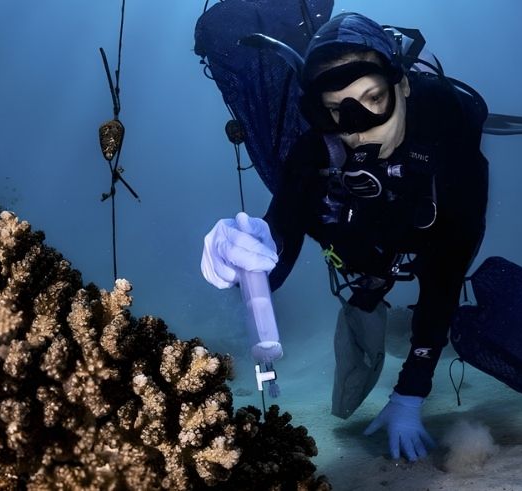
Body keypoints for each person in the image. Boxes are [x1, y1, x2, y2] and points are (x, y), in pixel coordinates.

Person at [201, 12, 488, 462]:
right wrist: (236, 259)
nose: (356, 126)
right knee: (365, 341)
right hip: (365, 263)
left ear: (403, 86)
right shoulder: (314, 156)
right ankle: (374, 301)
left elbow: (448, 271)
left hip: (431, 251)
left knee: (443, 305)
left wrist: (412, 391)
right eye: (335, 110)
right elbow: (273, 256)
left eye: (373, 98)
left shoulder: (447, 135)